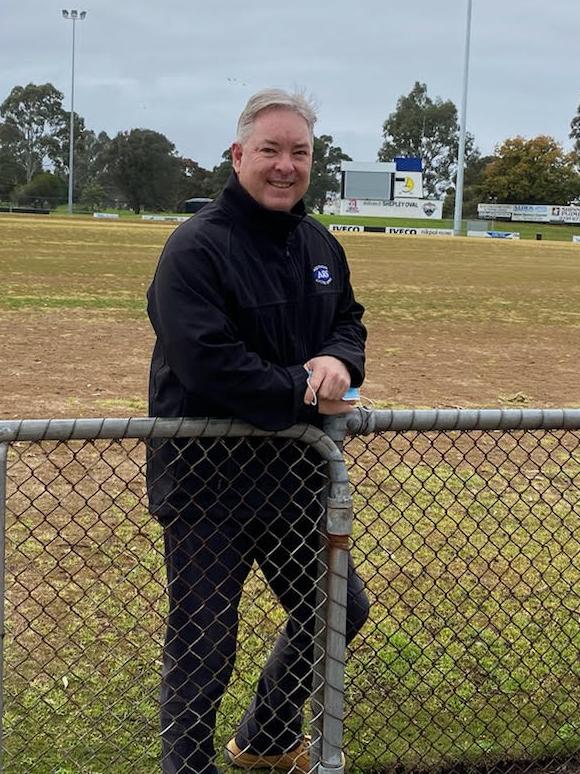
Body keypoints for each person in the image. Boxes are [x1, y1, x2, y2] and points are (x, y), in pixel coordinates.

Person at [147, 88, 369, 774]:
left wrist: (339, 357)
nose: (285, 165)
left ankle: (267, 739)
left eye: (298, 152)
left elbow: (349, 320)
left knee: (338, 610)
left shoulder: (318, 242)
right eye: (270, 150)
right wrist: (307, 396)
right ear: (239, 155)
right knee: (204, 642)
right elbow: (209, 363)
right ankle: (187, 767)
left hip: (293, 479)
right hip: (208, 481)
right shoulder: (196, 247)